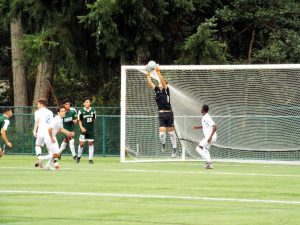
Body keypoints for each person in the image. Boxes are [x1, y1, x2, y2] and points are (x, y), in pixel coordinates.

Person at [146, 65, 177, 157]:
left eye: (161, 83)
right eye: (159, 83)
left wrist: (158, 72)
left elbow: (163, 82)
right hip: (161, 114)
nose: (159, 83)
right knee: (162, 134)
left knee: (171, 132)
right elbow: (150, 83)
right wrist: (148, 73)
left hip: (169, 113)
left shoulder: (166, 90)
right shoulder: (157, 90)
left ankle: (174, 148)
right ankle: (163, 144)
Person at [192, 104, 217, 169]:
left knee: (198, 148)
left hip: (210, 136)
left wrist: (210, 137)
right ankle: (209, 165)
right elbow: (205, 125)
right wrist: (197, 127)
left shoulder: (207, 117)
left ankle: (209, 161)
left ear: (203, 110)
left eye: (201, 108)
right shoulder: (205, 117)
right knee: (205, 149)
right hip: (212, 136)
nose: (200, 109)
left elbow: (215, 126)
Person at [76, 97, 96, 164]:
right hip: (83, 131)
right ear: (84, 103)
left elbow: (94, 119)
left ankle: (90, 159)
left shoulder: (93, 110)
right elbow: (79, 120)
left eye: (89, 102)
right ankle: (78, 157)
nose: (88, 103)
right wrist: (81, 127)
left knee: (91, 144)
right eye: (87, 102)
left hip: (90, 131)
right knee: (81, 144)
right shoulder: (81, 111)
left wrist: (91, 126)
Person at [33, 98, 53, 162]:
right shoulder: (50, 112)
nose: (37, 105)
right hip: (48, 131)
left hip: (41, 131)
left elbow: (36, 122)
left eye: (38, 104)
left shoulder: (37, 112)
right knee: (49, 147)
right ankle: (54, 162)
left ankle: (39, 157)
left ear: (41, 104)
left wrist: (34, 130)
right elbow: (51, 123)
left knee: (37, 145)